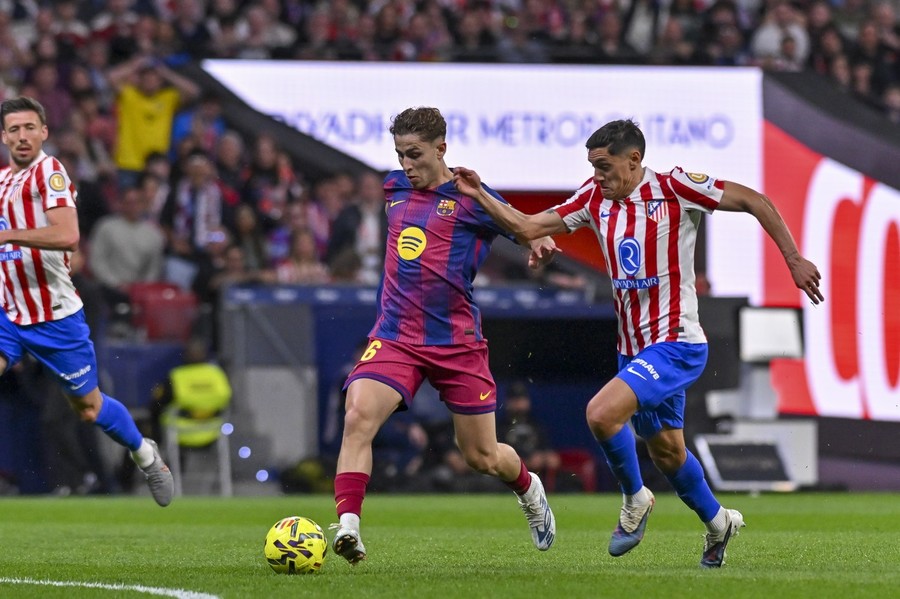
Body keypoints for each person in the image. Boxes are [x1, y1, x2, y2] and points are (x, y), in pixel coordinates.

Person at [453, 118, 824, 568]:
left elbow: (754, 200)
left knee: (601, 413)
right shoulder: (593, 198)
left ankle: (635, 498)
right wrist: (480, 195)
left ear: (634, 160)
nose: (597, 175)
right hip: (634, 347)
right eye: (592, 165)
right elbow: (530, 226)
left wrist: (793, 259)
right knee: (667, 451)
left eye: (605, 166)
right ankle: (719, 521)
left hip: (677, 342)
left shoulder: (676, 188)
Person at [331, 106, 558, 565]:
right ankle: (349, 527)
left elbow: (521, 226)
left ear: (441, 149)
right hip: (396, 336)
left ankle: (529, 489)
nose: (406, 165)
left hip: (456, 343)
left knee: (482, 456)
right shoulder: (394, 188)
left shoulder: (470, 195)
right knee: (357, 416)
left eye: (414, 154)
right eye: (399, 155)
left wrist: (537, 242)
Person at [0, 96, 174, 507]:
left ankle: (145, 454)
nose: (22, 137)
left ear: (43, 131)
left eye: (29, 128)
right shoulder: (2, 181)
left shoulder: (50, 173)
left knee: (89, 409)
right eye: (13, 129)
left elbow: (67, 235)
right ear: (4, 136)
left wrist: (7, 236)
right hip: (7, 311)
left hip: (54, 316)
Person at [496, 381, 561, 486]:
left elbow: (551, 456)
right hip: (509, 477)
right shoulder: (500, 425)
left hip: (537, 474)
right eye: (515, 400)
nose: (519, 404)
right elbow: (496, 458)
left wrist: (543, 458)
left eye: (522, 399)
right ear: (508, 402)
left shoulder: (535, 423)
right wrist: (525, 462)